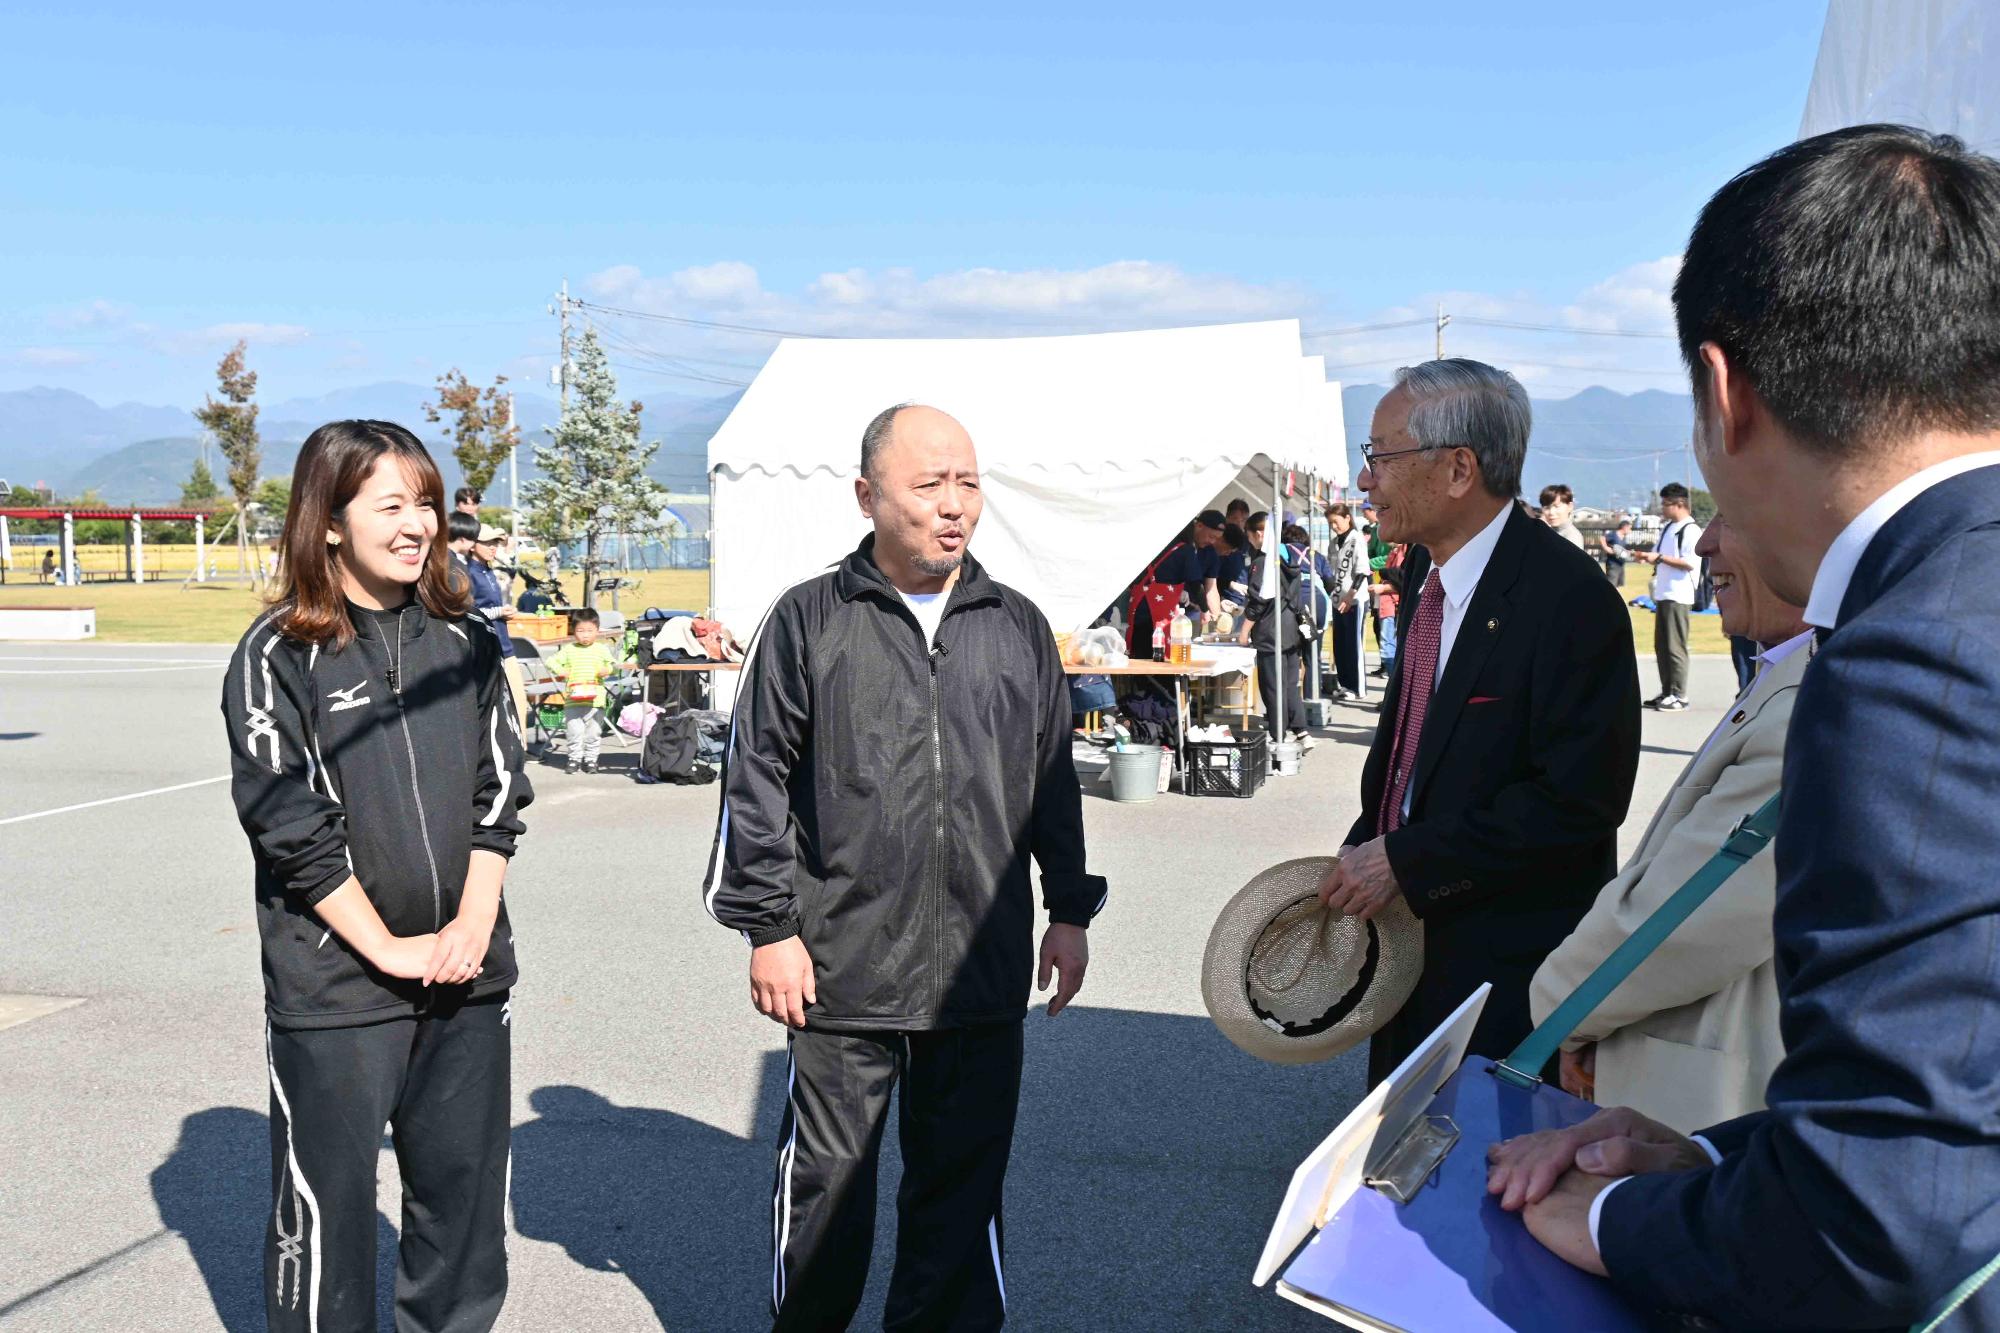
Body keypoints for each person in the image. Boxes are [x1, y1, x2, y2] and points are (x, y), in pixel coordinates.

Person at [1485, 124, 2000, 1330]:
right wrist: (1723, 1162)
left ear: (1723, 395)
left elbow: (1889, 1214)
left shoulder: (1911, 657)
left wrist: (1615, 1220)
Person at [704, 402, 1106, 1332]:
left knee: (960, 1204)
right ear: (867, 496)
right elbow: (752, 778)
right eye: (929, 484)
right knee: (826, 1203)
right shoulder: (809, 619)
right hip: (840, 969)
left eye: (968, 481)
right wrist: (770, 927)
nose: (954, 504)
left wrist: (1071, 909)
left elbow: (1054, 785)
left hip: (982, 970)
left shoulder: (1015, 625)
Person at [220, 420, 531, 1333]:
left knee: (465, 1217)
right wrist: (388, 946)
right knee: (329, 1218)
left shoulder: (467, 641)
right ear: (328, 520)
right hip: (338, 986)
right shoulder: (277, 654)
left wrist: (471, 927)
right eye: (391, 504)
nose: (418, 524)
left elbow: (498, 794)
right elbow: (289, 823)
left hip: (467, 979)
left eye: (426, 503)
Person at [1317, 359, 1640, 1084]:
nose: (1365, 480)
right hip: (1406, 958)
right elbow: (1411, 755)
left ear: (1459, 467)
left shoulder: (1569, 601)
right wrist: (1365, 845)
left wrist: (1408, 860)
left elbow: (1577, 804)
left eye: (1380, 456)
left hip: (1502, 980)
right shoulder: (1421, 574)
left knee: (1473, 1177)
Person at [1527, 513, 1810, 1130]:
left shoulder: (1808, 701)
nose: (1705, 543)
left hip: (1710, 1097)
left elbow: (1696, 911)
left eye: (1732, 516)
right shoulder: (1792, 675)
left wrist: (1563, 1010)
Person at [1236, 510, 1312, 752]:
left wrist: (1244, 630)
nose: (1249, 541)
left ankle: (1278, 734)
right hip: (1290, 627)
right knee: (1290, 683)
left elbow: (1258, 599)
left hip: (1270, 630)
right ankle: (1301, 731)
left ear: (1259, 534)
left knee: (1272, 685)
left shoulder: (1264, 561)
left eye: (1249, 536)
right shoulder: (1290, 556)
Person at [1634, 483, 1702, 711]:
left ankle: (1679, 694)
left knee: (1675, 647)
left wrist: (1659, 557)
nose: (1663, 508)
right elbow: (1660, 556)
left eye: (1666, 504)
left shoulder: (1690, 530)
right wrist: (1648, 557)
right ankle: (1667, 691)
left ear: (1680, 504)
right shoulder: (1668, 528)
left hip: (1679, 595)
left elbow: (1690, 563)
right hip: (1663, 594)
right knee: (1662, 646)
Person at [545, 607, 628, 774]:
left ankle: (591, 760)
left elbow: (614, 665)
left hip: (595, 700)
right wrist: (561, 671)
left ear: (597, 631)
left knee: (594, 733)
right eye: (580, 631)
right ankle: (574, 759)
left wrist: (608, 670)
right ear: (573, 631)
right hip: (573, 700)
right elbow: (550, 661)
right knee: (574, 732)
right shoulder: (568, 649)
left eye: (589, 631)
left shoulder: (601, 649)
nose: (585, 635)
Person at [1325, 503, 1369, 698]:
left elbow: (1361, 571)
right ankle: (1344, 683)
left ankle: (1357, 686)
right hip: (1337, 599)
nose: (1334, 526)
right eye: (1330, 523)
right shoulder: (1333, 543)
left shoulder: (1357, 539)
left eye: (1336, 522)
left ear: (1347, 518)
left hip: (1354, 599)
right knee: (1339, 644)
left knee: (1353, 644)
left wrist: (1350, 596)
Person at [1539, 483, 1586, 548]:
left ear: (1570, 506)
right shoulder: (1549, 533)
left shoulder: (1572, 537)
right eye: (1547, 507)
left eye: (1557, 506)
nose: (1551, 512)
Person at [1597, 517, 1633, 587]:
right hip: (1612, 564)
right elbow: (1602, 538)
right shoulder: (1613, 534)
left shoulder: (1624, 537)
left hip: (1621, 564)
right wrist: (1606, 548)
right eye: (1629, 528)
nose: (1630, 530)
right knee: (1611, 586)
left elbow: (1621, 550)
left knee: (1618, 586)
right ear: (1624, 527)